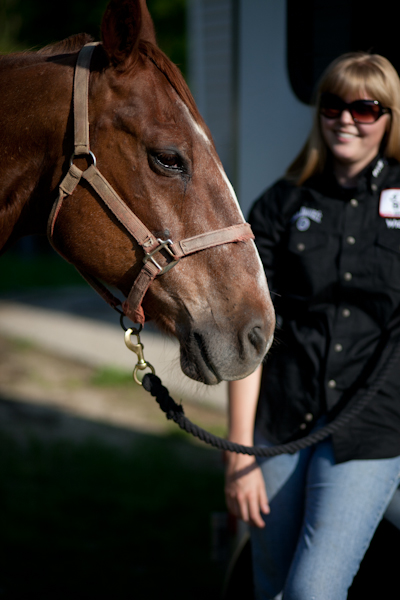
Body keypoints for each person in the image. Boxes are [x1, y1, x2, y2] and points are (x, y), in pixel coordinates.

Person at [224, 52, 400, 599]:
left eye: (365, 107)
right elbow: (250, 336)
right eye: (333, 103)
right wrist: (239, 454)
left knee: (312, 590)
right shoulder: (281, 204)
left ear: (389, 117)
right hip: (283, 424)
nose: (346, 118)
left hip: (370, 434)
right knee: (270, 585)